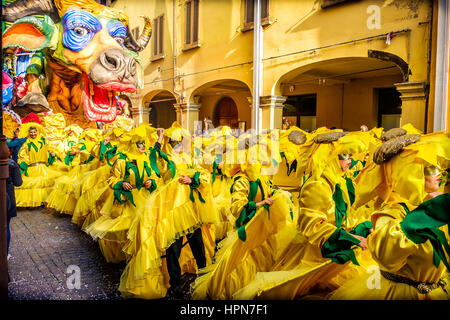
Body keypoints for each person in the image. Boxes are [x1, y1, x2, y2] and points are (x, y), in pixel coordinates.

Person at [6, 158, 23, 257]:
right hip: (8, 197)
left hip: (7, 197)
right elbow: (18, 182)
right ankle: (5, 253)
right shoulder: (12, 163)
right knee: (5, 226)